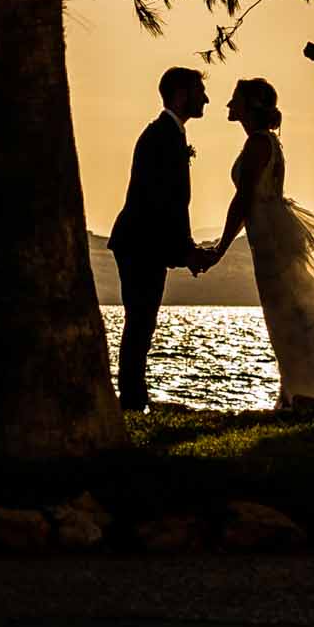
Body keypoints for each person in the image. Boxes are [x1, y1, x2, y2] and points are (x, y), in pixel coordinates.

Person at [205, 78, 314, 409]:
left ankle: (311, 392)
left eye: (234, 99)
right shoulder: (264, 140)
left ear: (249, 106)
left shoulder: (258, 143)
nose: (228, 105)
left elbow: (244, 198)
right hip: (268, 235)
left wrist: (221, 247)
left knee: (287, 314)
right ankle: (299, 391)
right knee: (286, 315)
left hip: (273, 239)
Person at [107, 67, 217, 410]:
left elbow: (171, 204)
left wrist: (185, 250)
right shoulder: (162, 136)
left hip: (143, 243)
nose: (206, 99)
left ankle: (133, 396)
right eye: (199, 91)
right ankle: (131, 399)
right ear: (181, 94)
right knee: (140, 320)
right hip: (140, 243)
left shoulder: (169, 134)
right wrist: (186, 252)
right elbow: (164, 203)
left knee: (142, 320)